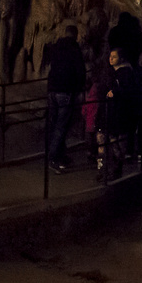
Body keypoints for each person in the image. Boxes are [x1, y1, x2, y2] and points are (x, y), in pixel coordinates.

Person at [43, 25, 86, 174]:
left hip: (52, 90)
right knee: (62, 126)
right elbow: (80, 70)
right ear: (75, 35)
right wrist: (81, 89)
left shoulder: (56, 47)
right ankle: (53, 158)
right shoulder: (74, 48)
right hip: (65, 91)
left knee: (54, 123)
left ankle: (60, 155)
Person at [97, 48, 137, 178]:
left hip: (116, 113)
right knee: (102, 141)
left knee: (115, 143)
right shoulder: (111, 73)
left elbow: (127, 92)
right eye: (110, 56)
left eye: (114, 56)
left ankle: (114, 169)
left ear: (121, 58)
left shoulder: (125, 74)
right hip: (107, 111)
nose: (111, 58)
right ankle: (101, 169)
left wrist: (115, 93)